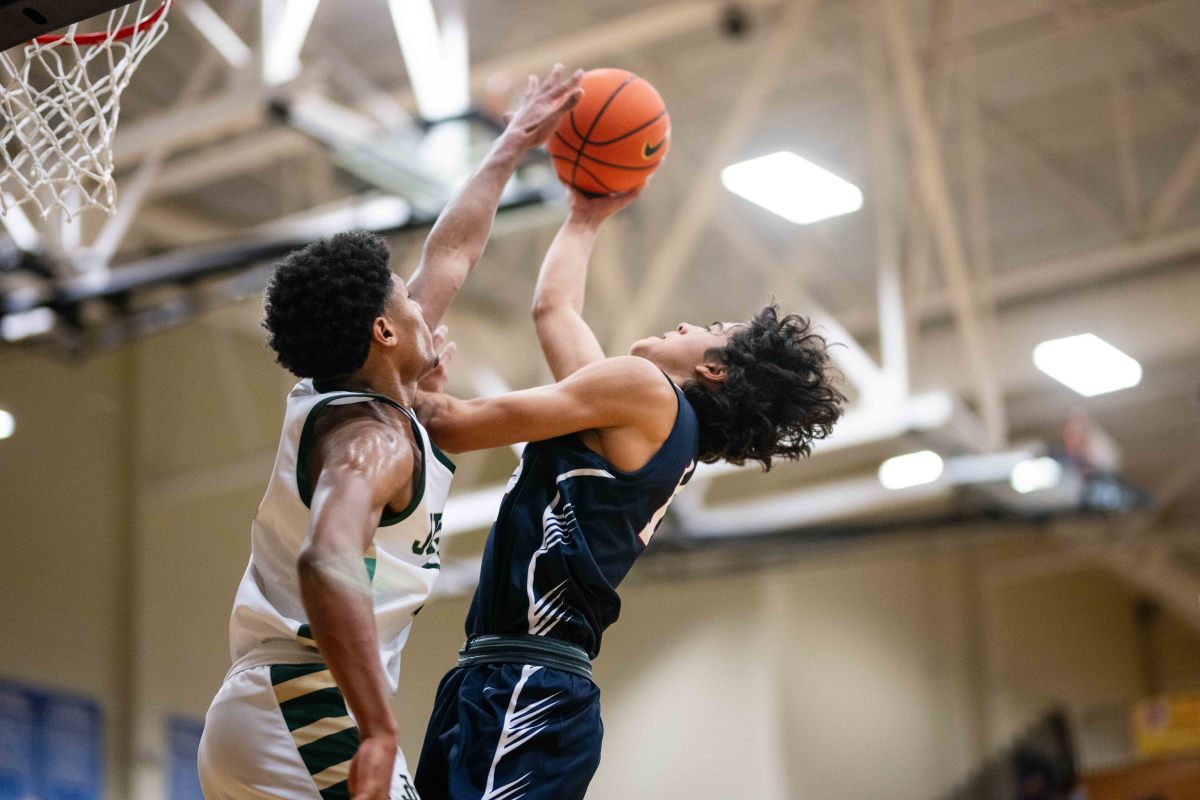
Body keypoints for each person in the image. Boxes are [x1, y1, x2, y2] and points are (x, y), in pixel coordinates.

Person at [197, 66, 584, 800]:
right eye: (406, 300)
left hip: (270, 707)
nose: (422, 301)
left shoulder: (354, 393)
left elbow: (452, 252)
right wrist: (377, 727)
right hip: (307, 707)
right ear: (383, 330)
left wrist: (510, 144)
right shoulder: (372, 440)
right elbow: (325, 559)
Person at [413, 187, 846, 800]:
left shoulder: (644, 393)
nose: (687, 323)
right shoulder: (648, 418)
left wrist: (388, 359)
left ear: (716, 370)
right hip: (500, 673)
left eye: (710, 329)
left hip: (527, 681)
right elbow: (555, 310)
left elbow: (451, 423)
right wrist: (585, 216)